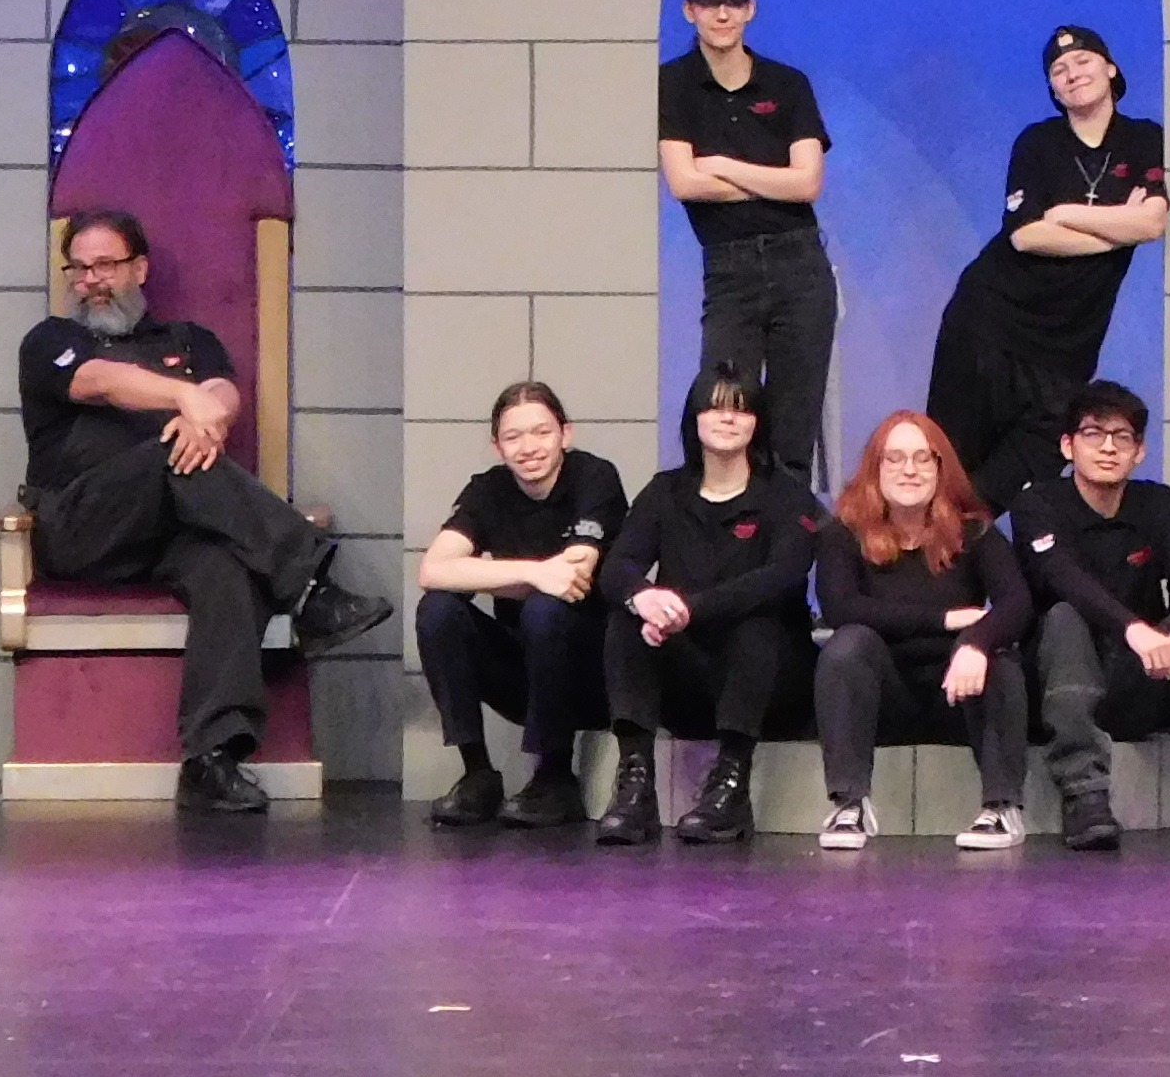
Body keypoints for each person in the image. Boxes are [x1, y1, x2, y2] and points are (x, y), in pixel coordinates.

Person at [14, 206, 390, 815]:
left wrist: (205, 413)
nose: (90, 281)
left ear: (140, 268)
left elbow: (222, 392)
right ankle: (309, 588)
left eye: (104, 265)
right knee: (171, 453)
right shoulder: (52, 341)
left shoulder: (189, 340)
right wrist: (183, 399)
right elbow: (98, 381)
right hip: (81, 527)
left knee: (225, 567)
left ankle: (212, 758)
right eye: (78, 269)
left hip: (168, 533)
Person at [923, 25, 1169, 523]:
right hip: (989, 323)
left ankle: (967, 548)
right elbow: (1025, 236)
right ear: (1053, 89)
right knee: (948, 471)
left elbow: (1152, 223)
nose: (1072, 73)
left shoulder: (1145, 139)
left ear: (1111, 68)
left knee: (1020, 473)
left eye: (1083, 61)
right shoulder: (1038, 143)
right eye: (1059, 70)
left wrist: (1065, 213)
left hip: (1066, 349)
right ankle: (935, 561)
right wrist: (1118, 227)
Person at [1016, 379, 1170, 850]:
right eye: (1093, 433)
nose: (1108, 447)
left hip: (1145, 674)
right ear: (1067, 445)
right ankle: (1084, 794)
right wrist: (1134, 629)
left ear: (1139, 452)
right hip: (1060, 681)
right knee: (1064, 615)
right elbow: (1063, 577)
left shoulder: (1159, 502)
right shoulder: (1038, 503)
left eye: (1122, 437)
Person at [593, 363, 819, 847]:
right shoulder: (664, 491)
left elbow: (781, 577)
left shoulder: (786, 496)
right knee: (625, 620)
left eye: (741, 409)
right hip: (689, 676)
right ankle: (635, 787)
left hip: (771, 682)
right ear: (694, 418)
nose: (727, 419)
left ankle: (730, 787)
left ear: (758, 422)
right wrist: (645, 597)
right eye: (714, 407)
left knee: (758, 624)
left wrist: (686, 610)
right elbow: (617, 568)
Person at [809, 410, 1035, 852]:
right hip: (884, 695)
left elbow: (1016, 603)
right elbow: (841, 608)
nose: (909, 470)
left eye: (922, 458)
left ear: (940, 468)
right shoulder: (844, 533)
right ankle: (849, 805)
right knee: (847, 644)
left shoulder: (974, 531)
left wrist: (975, 643)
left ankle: (1001, 808)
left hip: (958, 694)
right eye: (894, 458)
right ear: (875, 469)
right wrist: (944, 620)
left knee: (998, 657)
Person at [412, 378, 626, 831]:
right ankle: (477, 774)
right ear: (497, 446)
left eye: (542, 432)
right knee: (438, 610)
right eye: (513, 437)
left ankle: (555, 776)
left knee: (546, 609)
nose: (529, 448)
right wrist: (531, 573)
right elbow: (433, 570)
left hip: (592, 674)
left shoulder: (594, 477)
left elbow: (574, 576)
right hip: (522, 671)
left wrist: (496, 577)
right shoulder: (488, 490)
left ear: (565, 434)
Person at [657, 0, 837, 481]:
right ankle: (720, 525)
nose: (722, 14)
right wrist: (771, 182)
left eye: (733, 2)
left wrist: (722, 165)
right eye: (709, 2)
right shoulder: (673, 83)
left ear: (750, 9)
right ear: (689, 10)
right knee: (720, 412)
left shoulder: (788, 84)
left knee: (793, 432)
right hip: (729, 268)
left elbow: (808, 184)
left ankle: (789, 532)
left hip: (800, 264)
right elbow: (684, 183)